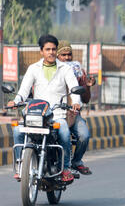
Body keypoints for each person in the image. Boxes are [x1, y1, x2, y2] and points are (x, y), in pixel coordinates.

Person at [7, 34, 81, 182]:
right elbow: (23, 91)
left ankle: (65, 168)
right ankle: (20, 165)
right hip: (36, 114)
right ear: (41, 51)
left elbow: (74, 87)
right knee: (17, 131)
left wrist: (76, 102)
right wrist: (15, 100)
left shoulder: (65, 69)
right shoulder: (33, 68)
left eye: (54, 49)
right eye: (47, 49)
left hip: (58, 114)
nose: (51, 52)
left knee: (65, 133)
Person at [57, 41, 94, 175]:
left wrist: (88, 86)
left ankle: (76, 161)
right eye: (63, 55)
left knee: (84, 135)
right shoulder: (51, 69)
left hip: (72, 113)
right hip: (54, 113)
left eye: (69, 55)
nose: (67, 58)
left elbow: (85, 99)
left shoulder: (78, 71)